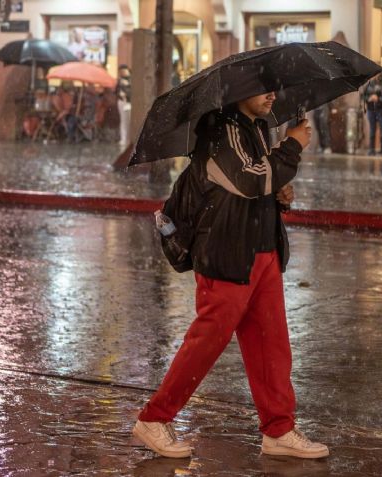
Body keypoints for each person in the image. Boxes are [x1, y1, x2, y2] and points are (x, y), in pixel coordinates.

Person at [132, 88, 330, 460]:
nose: (273, 95)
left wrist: (277, 194)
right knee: (206, 342)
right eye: (263, 89)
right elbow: (250, 178)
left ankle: (279, 429)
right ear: (239, 90)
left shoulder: (254, 127)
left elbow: (256, 187)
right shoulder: (220, 132)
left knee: (272, 345)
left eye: (275, 87)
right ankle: (154, 419)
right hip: (227, 254)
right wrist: (291, 146)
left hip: (261, 251)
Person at [362, 73, 382, 156]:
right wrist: (369, 99)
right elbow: (363, 96)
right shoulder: (369, 84)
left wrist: (379, 99)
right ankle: (371, 149)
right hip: (371, 109)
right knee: (372, 130)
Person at [117, 64, 132, 146]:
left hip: (130, 102)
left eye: (123, 71)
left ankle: (129, 138)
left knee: (129, 121)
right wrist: (120, 93)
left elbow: (133, 91)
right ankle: (123, 139)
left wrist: (127, 85)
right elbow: (116, 90)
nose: (122, 73)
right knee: (123, 121)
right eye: (120, 72)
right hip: (122, 101)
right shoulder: (120, 80)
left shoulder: (132, 79)